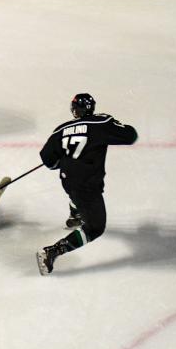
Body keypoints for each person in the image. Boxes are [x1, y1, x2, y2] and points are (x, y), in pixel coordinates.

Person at [36, 93, 137, 275]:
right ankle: (51, 251)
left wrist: (61, 161)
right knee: (95, 227)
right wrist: (113, 124)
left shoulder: (61, 129)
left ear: (74, 110)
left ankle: (75, 214)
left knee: (77, 189)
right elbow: (130, 135)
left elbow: (47, 159)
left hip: (67, 180)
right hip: (87, 185)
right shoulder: (101, 123)